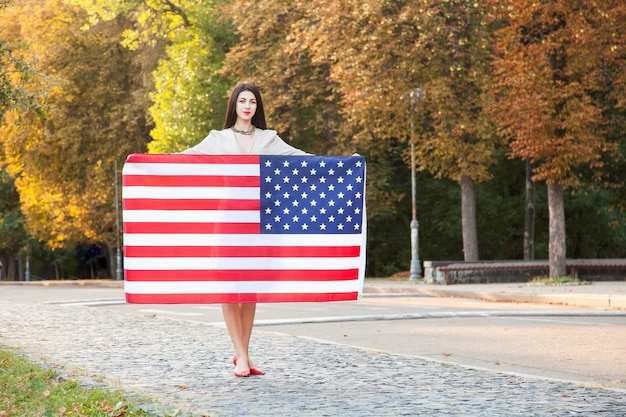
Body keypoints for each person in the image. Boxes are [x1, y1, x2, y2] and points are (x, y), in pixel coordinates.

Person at [181, 82, 308, 377]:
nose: (247, 106)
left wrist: (344, 163)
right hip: (228, 219)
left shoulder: (269, 138)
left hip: (256, 219)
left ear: (257, 106)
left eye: (252, 101)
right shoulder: (218, 138)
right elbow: (186, 157)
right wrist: (143, 164)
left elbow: (299, 157)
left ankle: (244, 354)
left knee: (249, 288)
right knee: (228, 288)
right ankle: (241, 356)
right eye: (242, 101)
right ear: (234, 106)